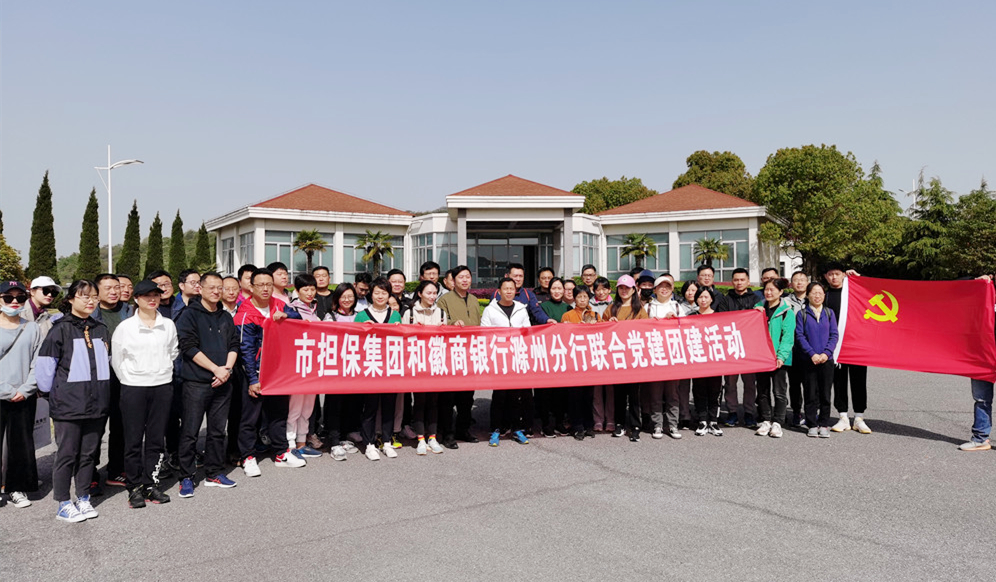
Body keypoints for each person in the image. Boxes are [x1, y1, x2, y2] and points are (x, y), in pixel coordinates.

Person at [36, 280, 110, 523]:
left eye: (94, 297)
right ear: (70, 299)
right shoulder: (60, 329)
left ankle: (84, 497)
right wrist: (55, 395)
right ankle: (63, 502)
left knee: (88, 454)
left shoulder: (100, 328)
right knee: (67, 454)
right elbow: (45, 370)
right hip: (68, 405)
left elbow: (106, 362)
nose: (90, 301)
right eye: (84, 296)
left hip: (97, 403)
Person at [110, 279, 177, 508]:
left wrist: (162, 371)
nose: (152, 299)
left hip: (162, 386)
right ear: (136, 299)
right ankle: (134, 487)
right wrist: (130, 379)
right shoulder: (126, 327)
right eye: (147, 295)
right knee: (133, 440)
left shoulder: (168, 324)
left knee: (156, 439)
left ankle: (151, 483)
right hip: (133, 387)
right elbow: (117, 360)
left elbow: (173, 352)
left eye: (156, 295)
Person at [175, 272, 241, 498]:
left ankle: (214, 472)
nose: (216, 291)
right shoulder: (189, 315)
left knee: (217, 431)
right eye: (211, 287)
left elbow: (234, 344)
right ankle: (186, 476)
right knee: (190, 432)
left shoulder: (225, 316)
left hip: (223, 382)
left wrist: (227, 370)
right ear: (200, 289)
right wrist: (215, 369)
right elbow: (188, 347)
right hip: (196, 383)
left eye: (219, 287)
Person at [235, 268, 305, 476]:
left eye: (268, 284)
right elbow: (246, 349)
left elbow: (299, 318)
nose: (265, 289)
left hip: (278, 372)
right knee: (250, 417)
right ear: (251, 287)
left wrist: (287, 315)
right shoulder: (245, 313)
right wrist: (252, 379)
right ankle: (247, 457)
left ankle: (281, 453)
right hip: (256, 372)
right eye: (260, 285)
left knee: (278, 414)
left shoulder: (279, 304)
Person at [0, 281, 41, 509]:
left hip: (24, 394)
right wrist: (6, 390)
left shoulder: (32, 328)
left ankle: (17, 487)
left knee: (21, 443)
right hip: (2, 391)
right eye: (8, 297)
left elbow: (38, 362)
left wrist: (26, 389)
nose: (14, 301)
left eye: (20, 297)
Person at [91, 273, 133, 491]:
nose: (115, 291)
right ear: (97, 292)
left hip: (124, 377)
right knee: (94, 428)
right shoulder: (90, 314)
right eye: (108, 288)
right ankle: (90, 474)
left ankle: (116, 469)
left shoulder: (130, 311)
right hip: (98, 378)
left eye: (117, 287)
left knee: (121, 426)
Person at [355, 278, 402, 460]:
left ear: (389, 295)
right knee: (370, 407)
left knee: (389, 406)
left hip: (390, 367)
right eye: (377, 292)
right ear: (371, 294)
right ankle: (369, 444)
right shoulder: (361, 316)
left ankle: (387, 441)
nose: (380, 296)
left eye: (384, 292)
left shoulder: (395, 315)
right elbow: (353, 341)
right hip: (370, 368)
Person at [482, 277, 532, 447]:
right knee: (499, 395)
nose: (509, 291)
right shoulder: (490, 310)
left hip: (517, 357)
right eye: (506, 288)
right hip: (499, 358)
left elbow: (527, 331)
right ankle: (495, 429)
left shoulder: (521, 309)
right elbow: (485, 333)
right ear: (499, 291)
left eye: (512, 289)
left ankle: (516, 429)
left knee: (515, 396)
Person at [823, 262, 871, 434]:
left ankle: (859, 417)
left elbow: (873, 292)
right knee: (839, 381)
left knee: (859, 380)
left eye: (837, 273)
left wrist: (860, 278)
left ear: (844, 274)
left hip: (856, 343)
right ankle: (842, 416)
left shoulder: (855, 292)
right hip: (835, 345)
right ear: (826, 277)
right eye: (830, 274)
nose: (834, 277)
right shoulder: (825, 296)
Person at [436, 265, 480, 448]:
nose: (465, 280)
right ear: (453, 281)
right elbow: (439, 322)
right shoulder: (444, 300)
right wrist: (453, 323)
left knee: (467, 398)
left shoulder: (474, 300)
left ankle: (463, 429)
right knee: (448, 398)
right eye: (461, 277)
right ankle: (447, 434)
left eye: (468, 277)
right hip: (451, 354)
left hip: (470, 354)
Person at [402, 280, 448, 455]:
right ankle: (421, 438)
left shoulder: (441, 313)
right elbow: (403, 338)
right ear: (420, 294)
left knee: (434, 402)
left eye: (434, 293)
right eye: (428, 293)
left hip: (435, 362)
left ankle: (433, 437)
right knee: (420, 402)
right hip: (417, 363)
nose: (432, 296)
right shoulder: (410, 313)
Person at [286, 274, 328, 459]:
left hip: (313, 365)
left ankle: (302, 442)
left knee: (308, 407)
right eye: (305, 289)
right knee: (295, 407)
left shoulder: (314, 310)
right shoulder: (291, 309)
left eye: (312, 289)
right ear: (297, 290)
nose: (310, 293)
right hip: (297, 366)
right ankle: (290, 444)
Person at [602, 275, 647, 442]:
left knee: (634, 396)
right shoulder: (611, 308)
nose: (624, 291)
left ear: (633, 290)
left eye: (627, 288)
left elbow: (646, 330)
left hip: (633, 358)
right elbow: (602, 330)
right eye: (621, 288)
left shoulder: (639, 309)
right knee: (619, 395)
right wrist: (609, 323)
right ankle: (619, 424)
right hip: (617, 357)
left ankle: (635, 426)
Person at [322, 283, 361, 461]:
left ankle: (345, 437)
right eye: (343, 297)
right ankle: (334, 441)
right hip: (336, 368)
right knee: (334, 404)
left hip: (354, 366)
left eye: (350, 296)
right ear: (337, 298)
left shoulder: (360, 316)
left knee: (351, 403)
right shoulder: (330, 316)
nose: (347, 300)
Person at [753, 278, 795, 439]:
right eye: (766, 289)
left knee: (779, 391)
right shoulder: (757, 309)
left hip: (778, 358)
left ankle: (778, 421)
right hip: (761, 357)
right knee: (762, 391)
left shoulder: (786, 312)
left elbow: (788, 337)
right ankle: (766, 420)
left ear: (780, 292)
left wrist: (781, 356)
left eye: (772, 290)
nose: (768, 292)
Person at [795, 282, 839, 438]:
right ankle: (812, 424)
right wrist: (812, 354)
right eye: (814, 293)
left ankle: (824, 424)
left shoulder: (829, 313)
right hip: (809, 360)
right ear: (808, 295)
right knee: (810, 393)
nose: (817, 296)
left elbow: (834, 335)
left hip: (826, 360)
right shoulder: (802, 314)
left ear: (824, 295)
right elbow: (800, 336)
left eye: (820, 293)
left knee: (825, 394)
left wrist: (826, 353)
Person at [644, 275, 683, 439]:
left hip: (673, 356)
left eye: (667, 286)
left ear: (672, 289)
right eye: (661, 286)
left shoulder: (678, 307)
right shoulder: (648, 307)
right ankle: (657, 425)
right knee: (656, 393)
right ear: (655, 290)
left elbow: (687, 328)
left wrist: (675, 320)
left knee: (673, 393)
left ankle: (673, 425)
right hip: (655, 356)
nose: (664, 289)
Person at [960, 274, 996, 451]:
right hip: (982, 355)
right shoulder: (984, 288)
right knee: (981, 399)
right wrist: (973, 281)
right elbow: (951, 290)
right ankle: (981, 438)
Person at [561, 284, 598, 440]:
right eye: (579, 297)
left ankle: (589, 425)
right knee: (575, 396)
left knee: (589, 396)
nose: (582, 299)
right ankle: (577, 426)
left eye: (585, 296)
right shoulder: (567, 315)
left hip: (589, 361)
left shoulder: (595, 315)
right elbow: (562, 337)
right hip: (574, 361)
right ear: (574, 299)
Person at [538, 277, 570, 436]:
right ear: (549, 290)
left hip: (563, 355)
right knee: (545, 392)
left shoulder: (568, 308)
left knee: (561, 392)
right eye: (554, 288)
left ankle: (559, 422)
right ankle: (546, 424)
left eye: (559, 288)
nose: (557, 291)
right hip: (547, 354)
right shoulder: (542, 307)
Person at [690, 287, 724, 437]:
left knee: (715, 391)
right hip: (697, 360)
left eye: (706, 297)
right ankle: (702, 420)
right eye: (700, 297)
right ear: (696, 299)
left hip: (715, 361)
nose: (703, 300)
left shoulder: (719, 317)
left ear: (711, 299)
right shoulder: (691, 317)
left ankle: (713, 420)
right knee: (699, 390)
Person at [784, 271, 809, 427]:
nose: (799, 283)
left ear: (807, 282)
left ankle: (811, 412)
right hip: (793, 348)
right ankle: (796, 412)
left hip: (811, 348)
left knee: (811, 383)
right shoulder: (785, 301)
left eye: (802, 280)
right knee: (794, 383)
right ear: (791, 284)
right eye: (796, 280)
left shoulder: (814, 298)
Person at [589, 276, 614, 432]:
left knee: (610, 389)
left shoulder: (615, 304)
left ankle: (610, 419)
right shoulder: (589, 305)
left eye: (604, 289)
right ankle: (598, 419)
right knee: (596, 389)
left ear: (609, 290)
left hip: (611, 350)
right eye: (598, 289)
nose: (601, 292)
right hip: (595, 350)